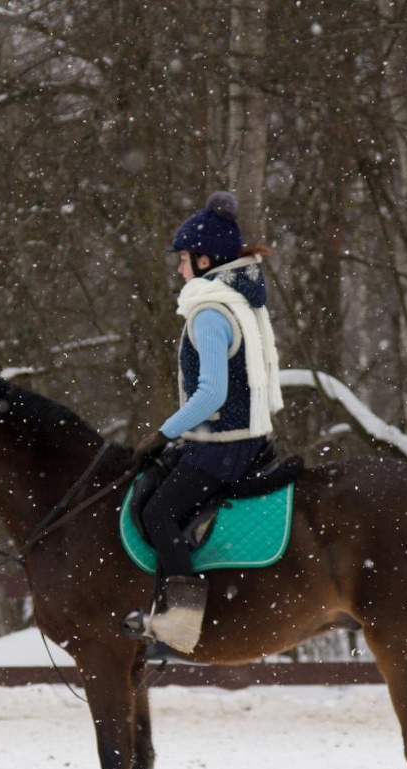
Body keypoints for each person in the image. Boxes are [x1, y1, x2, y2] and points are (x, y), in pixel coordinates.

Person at [121, 190, 284, 655]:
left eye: (184, 260)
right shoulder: (240, 301)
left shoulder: (210, 313)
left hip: (223, 445)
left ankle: (181, 623)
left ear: (205, 259)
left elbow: (211, 392)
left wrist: (165, 432)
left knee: (158, 511)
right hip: (243, 439)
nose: (179, 269)